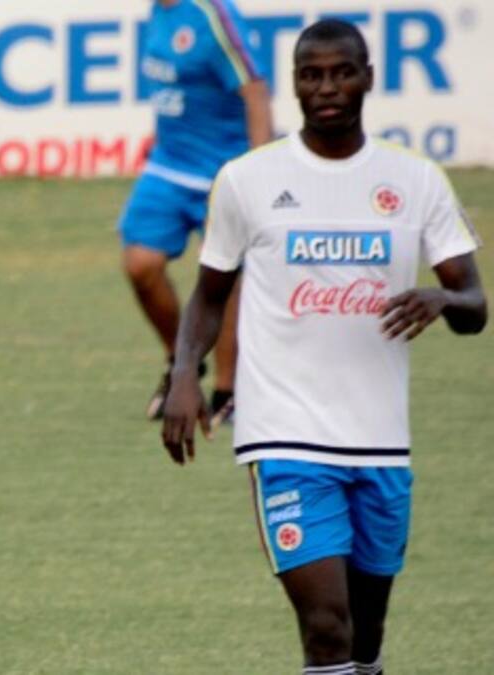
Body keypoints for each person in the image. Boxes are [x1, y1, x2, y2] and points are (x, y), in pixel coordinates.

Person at [162, 20, 486, 675]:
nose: (328, 87)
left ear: (368, 78)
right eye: (312, 75)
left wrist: (442, 299)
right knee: (326, 627)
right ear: (296, 85)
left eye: (342, 73)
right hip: (286, 436)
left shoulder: (416, 180)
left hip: (380, 440)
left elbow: (475, 305)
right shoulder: (248, 179)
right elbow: (209, 293)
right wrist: (184, 373)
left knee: (365, 637)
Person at [124, 0, 272, 423]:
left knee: (224, 276)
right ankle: (181, 364)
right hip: (169, 164)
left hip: (221, 168)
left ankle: (227, 391)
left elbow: (255, 91)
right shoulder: (158, 11)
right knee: (140, 265)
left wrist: (258, 174)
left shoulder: (214, 16)